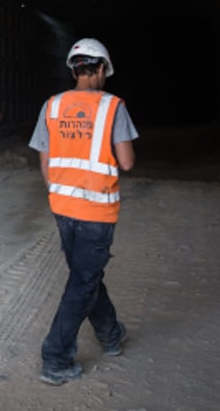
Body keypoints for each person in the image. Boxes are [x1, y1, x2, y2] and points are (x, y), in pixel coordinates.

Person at [29, 37, 138, 386]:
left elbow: (44, 160)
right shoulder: (112, 107)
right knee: (82, 282)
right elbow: (127, 162)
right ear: (101, 68)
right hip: (96, 213)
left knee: (87, 277)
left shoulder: (52, 106)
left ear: (74, 69)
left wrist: (60, 190)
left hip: (63, 208)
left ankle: (110, 334)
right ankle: (55, 358)